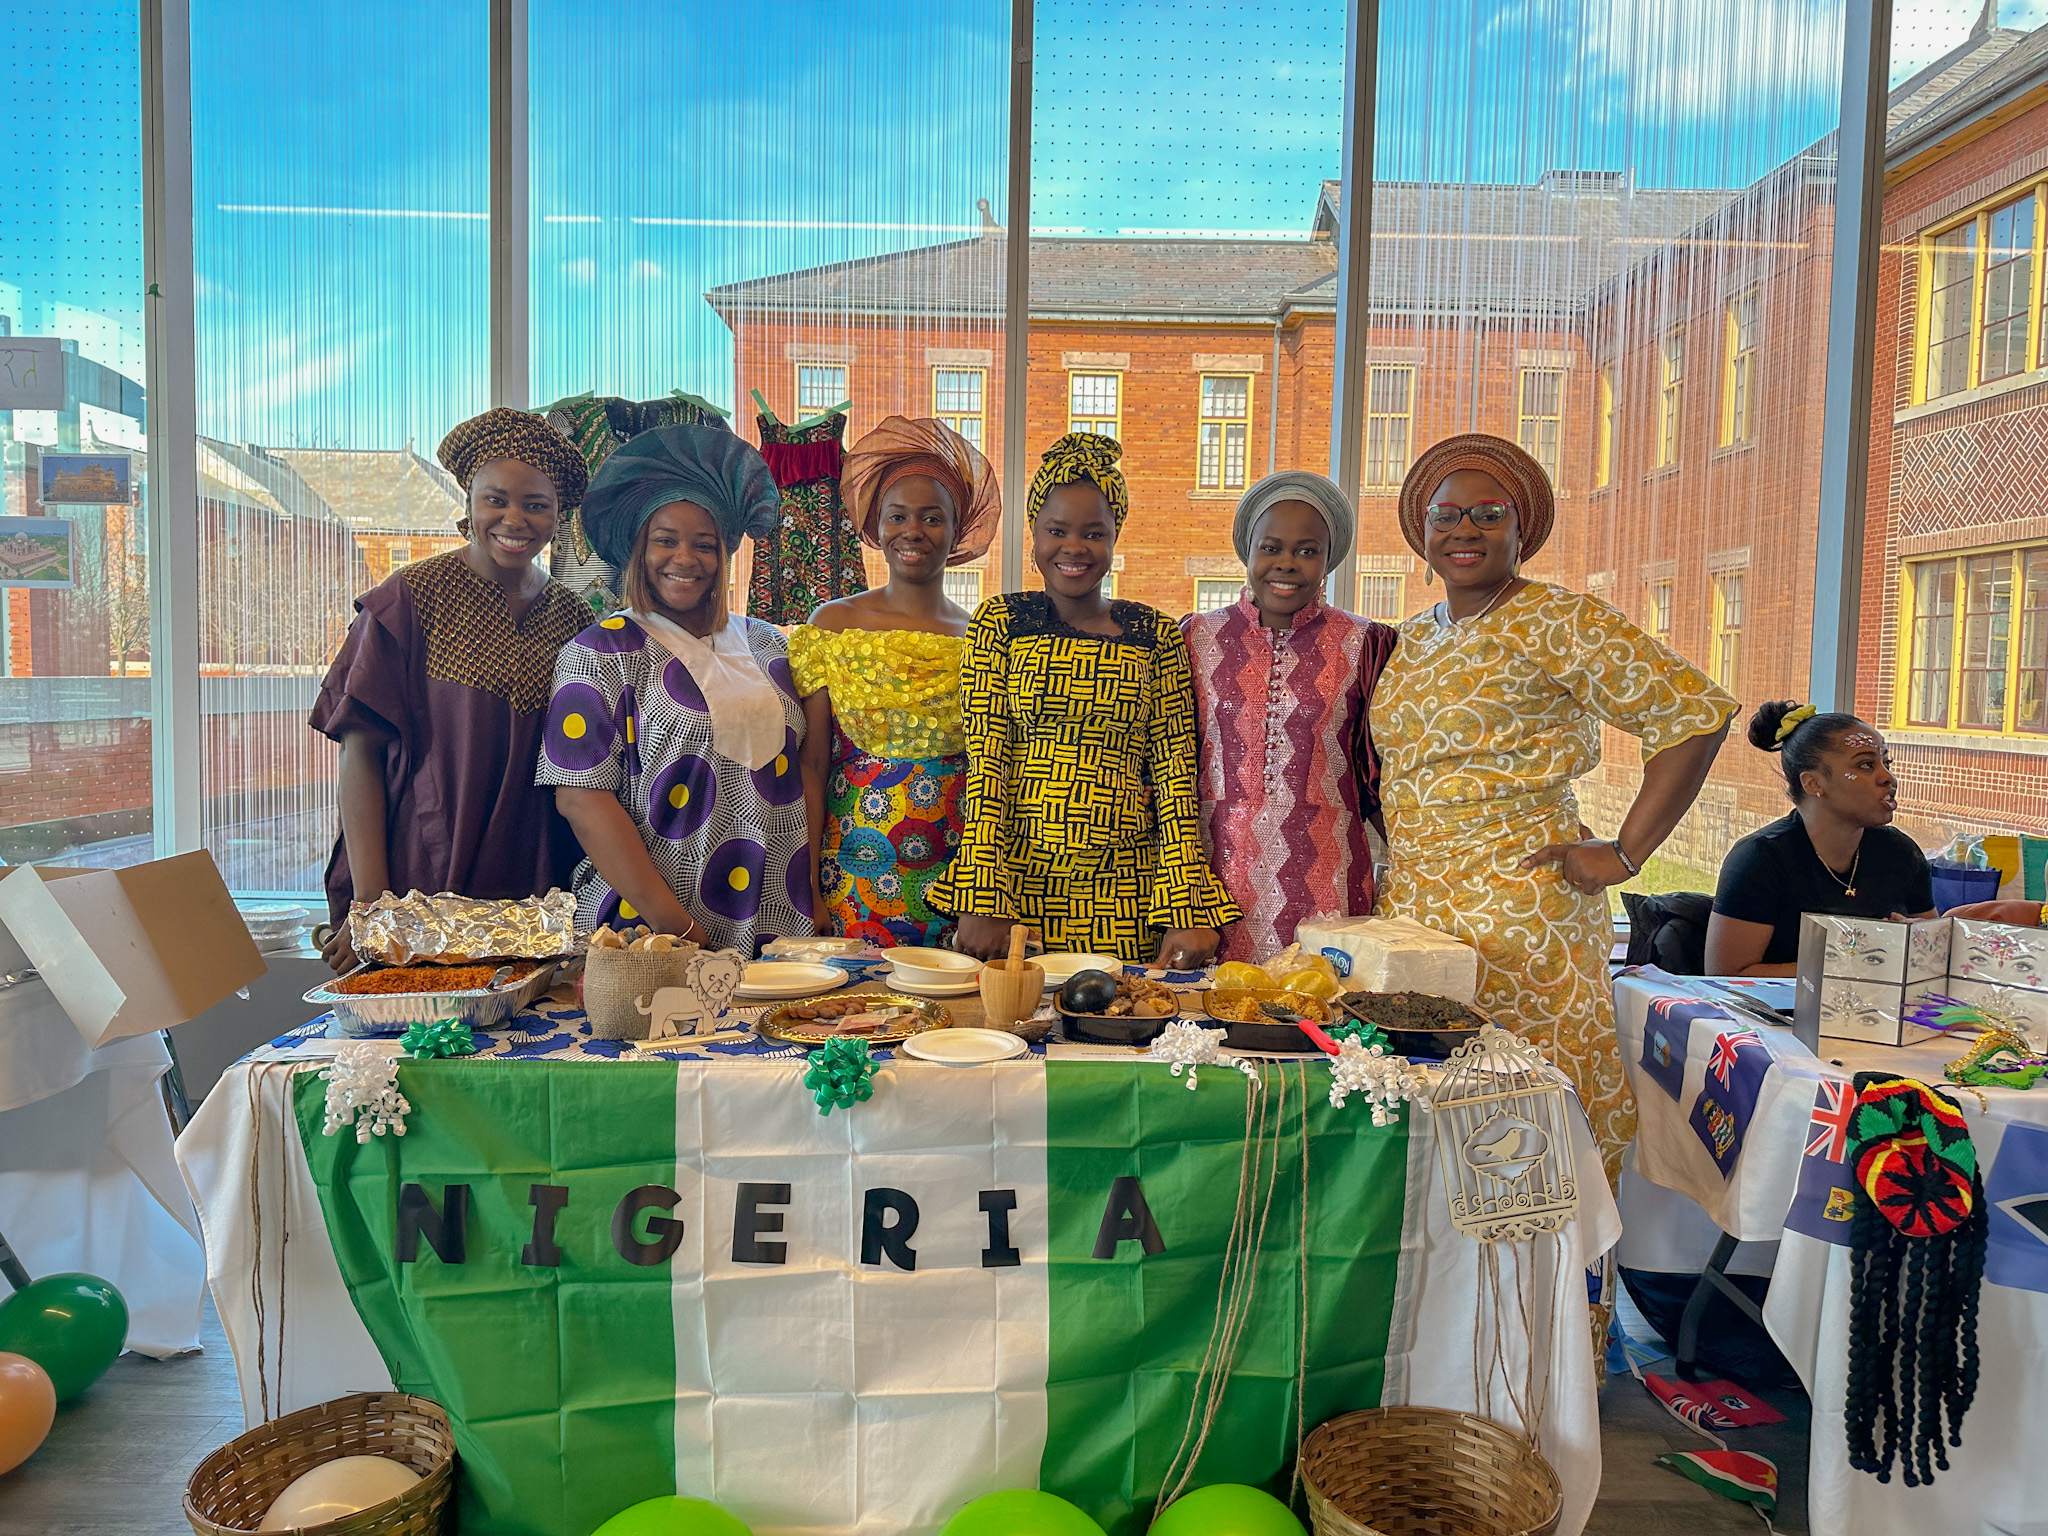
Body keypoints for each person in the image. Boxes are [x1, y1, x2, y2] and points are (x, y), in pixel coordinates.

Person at [1371, 434, 1735, 1181]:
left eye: (1487, 513)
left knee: (1529, 1125)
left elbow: (1691, 714)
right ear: (1421, 531)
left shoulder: (1563, 621)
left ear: (1520, 528)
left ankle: (1554, 1301)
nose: (1464, 530)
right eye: (1446, 514)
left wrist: (1626, 852)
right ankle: (1452, 1302)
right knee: (1426, 1131)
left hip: (1523, 922)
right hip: (1413, 919)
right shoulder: (1405, 640)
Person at [935, 433, 1240, 966]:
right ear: (1033, 535)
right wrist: (982, 898)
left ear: (1115, 537)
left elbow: (1173, 776)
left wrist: (1187, 913)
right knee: (1015, 1032)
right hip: (1020, 890)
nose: (1073, 547)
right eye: (1057, 531)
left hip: (1127, 895)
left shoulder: (1155, 633)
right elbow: (988, 766)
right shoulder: (1001, 624)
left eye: (1093, 533)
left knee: (1119, 1029)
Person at [311, 407, 592, 971]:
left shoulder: (574, 619)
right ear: (468, 501)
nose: (514, 519)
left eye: (536, 504)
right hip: (416, 882)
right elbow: (360, 754)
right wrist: (375, 905)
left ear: (559, 515)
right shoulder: (411, 598)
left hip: (531, 889)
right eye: (496, 499)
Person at [538, 423, 813, 955]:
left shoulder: (770, 646)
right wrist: (679, 929)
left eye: (704, 544)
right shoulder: (601, 651)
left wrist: (811, 898)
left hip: (777, 923)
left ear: (725, 554)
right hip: (650, 932)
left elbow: (803, 772)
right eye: (665, 540)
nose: (685, 558)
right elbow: (580, 798)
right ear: (638, 548)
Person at [788, 416, 1001, 947]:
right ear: (875, 525)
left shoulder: (982, 636)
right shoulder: (832, 626)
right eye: (897, 515)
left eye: (932, 517)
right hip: (856, 862)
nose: (913, 531)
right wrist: (807, 884)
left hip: (960, 876)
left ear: (958, 530)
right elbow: (812, 765)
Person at [1182, 472, 1398, 962]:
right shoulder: (1196, 637)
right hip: (1214, 878)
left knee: (1319, 1015)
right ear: (1247, 550)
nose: (1286, 564)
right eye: (1272, 547)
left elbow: (1382, 768)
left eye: (1307, 551)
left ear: (1328, 559)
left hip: (1329, 875)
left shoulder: (1367, 645)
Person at [1704, 703, 1935, 975]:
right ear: (1813, 784)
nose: (1888, 778)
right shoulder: (1760, 858)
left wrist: (1920, 945)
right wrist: (1854, 962)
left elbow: (1933, 957)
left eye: (1887, 763)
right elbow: (1727, 976)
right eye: (1866, 765)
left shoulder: (1901, 853)